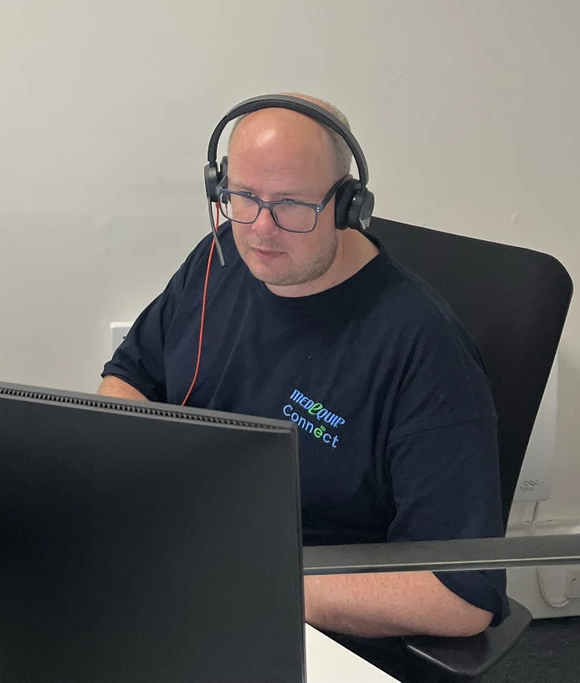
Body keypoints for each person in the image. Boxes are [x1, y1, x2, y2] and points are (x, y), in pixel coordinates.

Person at [98, 93, 509, 681]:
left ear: (347, 204)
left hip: (309, 627)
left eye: (290, 204)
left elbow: (462, 595)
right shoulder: (218, 257)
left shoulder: (424, 350)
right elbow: (129, 377)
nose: (261, 230)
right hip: (187, 573)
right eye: (243, 197)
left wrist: (258, 583)